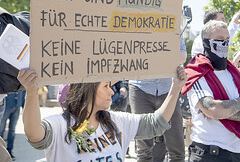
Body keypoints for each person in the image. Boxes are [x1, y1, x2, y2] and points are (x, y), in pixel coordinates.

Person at [18, 65, 187, 162]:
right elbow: (34, 134)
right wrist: (31, 93)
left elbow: (156, 124)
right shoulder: (60, 124)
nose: (112, 92)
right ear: (88, 91)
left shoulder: (116, 120)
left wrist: (176, 87)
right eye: (106, 86)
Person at [182, 20, 240, 162]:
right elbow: (213, 109)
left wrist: (222, 111)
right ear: (206, 42)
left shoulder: (236, 73)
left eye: (227, 39)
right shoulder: (197, 72)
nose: (225, 44)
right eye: (219, 40)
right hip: (209, 152)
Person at [129, 37, 187, 162]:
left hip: (169, 88)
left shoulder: (172, 24)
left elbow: (182, 56)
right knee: (143, 149)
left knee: (177, 148)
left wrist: (153, 51)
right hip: (140, 87)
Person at [0, 91, 26, 160]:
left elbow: (23, 93)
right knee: (1, 130)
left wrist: (24, 107)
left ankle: (9, 151)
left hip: (17, 107)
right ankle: (1, 152)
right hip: (7, 105)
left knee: (12, 130)